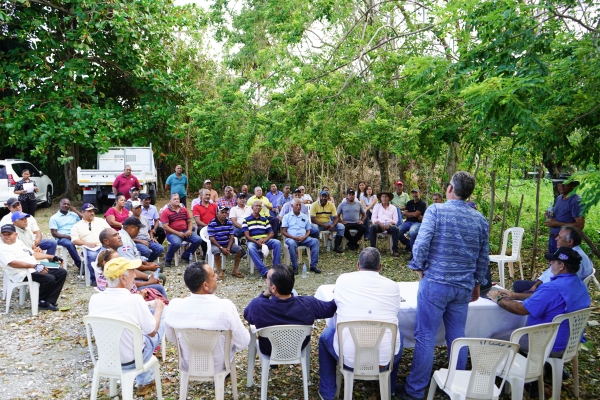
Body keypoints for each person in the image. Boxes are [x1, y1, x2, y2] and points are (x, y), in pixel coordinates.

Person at [398, 171, 489, 400]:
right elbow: (482, 256)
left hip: (436, 283)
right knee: (457, 336)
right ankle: (454, 387)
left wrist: (419, 268)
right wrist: (477, 283)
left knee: (426, 336)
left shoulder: (436, 210)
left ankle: (415, 390)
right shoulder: (480, 219)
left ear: (450, 189)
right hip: (463, 287)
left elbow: (420, 243)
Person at [318, 247, 403, 400]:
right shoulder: (393, 286)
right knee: (397, 333)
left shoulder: (343, 280)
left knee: (326, 335)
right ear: (380, 267)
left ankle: (327, 392)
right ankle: (389, 389)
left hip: (347, 358)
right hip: (384, 360)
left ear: (358, 266)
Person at [488, 247, 591, 356]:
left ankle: (504, 370)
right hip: (571, 343)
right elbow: (544, 298)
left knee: (495, 338)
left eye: (553, 261)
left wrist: (498, 299)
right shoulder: (580, 285)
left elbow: (521, 309)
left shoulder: (552, 288)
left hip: (548, 344)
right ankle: (546, 366)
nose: (550, 263)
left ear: (562, 266)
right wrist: (514, 295)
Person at [88, 257, 165, 397]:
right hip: (132, 361)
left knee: (135, 328)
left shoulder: (94, 299)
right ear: (123, 278)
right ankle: (145, 381)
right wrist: (159, 309)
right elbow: (152, 332)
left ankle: (143, 380)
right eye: (132, 272)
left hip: (106, 358)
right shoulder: (134, 300)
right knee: (161, 316)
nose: (135, 275)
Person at [166, 262, 250, 373]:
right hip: (219, 366)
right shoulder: (226, 307)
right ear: (205, 285)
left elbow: (171, 338)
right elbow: (243, 343)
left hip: (188, 364)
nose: (216, 276)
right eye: (213, 275)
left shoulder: (174, 305)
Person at [245, 264, 336, 356]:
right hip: (298, 347)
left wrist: (264, 295)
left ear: (273, 288)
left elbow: (247, 315)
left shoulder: (258, 305)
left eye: (267, 279)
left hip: (269, 348)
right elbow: (330, 309)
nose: (266, 280)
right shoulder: (308, 303)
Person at [0, 224, 67, 311]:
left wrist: (52, 257)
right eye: (4, 234)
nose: (6, 236)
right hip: (21, 273)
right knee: (49, 278)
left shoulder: (18, 242)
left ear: (15, 234)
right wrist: (34, 266)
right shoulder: (2, 248)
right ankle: (40, 300)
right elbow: (13, 264)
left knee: (61, 272)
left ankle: (48, 301)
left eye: (9, 234)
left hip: (33, 267)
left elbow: (33, 254)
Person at [512, 226, 593, 294]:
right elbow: (550, 272)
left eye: (560, 237)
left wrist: (540, 288)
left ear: (570, 242)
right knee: (518, 285)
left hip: (554, 290)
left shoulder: (572, 258)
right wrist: (538, 283)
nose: (556, 239)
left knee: (518, 286)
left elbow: (565, 284)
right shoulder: (569, 253)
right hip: (549, 286)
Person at [100, 227, 167, 297]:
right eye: (115, 235)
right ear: (106, 241)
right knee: (159, 287)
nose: (119, 237)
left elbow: (129, 270)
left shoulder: (113, 252)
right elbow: (122, 282)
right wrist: (148, 282)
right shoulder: (108, 256)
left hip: (126, 285)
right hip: (122, 291)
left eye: (118, 234)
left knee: (158, 275)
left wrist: (148, 277)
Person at [71, 203, 112, 285]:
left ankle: (110, 277)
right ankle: (95, 279)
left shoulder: (101, 221)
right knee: (93, 256)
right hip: (89, 249)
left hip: (103, 245)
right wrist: (87, 243)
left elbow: (110, 231)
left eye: (93, 211)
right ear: (83, 212)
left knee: (111, 254)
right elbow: (74, 240)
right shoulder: (77, 226)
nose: (92, 213)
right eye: (89, 211)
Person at [544, 174, 585, 254]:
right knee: (553, 263)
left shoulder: (576, 201)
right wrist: (550, 215)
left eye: (565, 184)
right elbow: (560, 215)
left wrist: (556, 223)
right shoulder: (559, 198)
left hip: (565, 241)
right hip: (554, 237)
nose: (561, 186)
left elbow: (580, 225)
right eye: (559, 184)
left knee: (563, 264)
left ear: (572, 185)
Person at [160, 193, 203, 267]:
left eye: (178, 199)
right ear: (170, 201)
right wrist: (178, 233)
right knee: (176, 243)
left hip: (185, 231)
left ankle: (186, 255)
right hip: (172, 233)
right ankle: (168, 259)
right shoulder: (165, 211)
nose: (177, 200)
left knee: (198, 239)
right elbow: (165, 227)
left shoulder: (184, 209)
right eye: (174, 199)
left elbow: (189, 221)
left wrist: (189, 230)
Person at [243, 201, 282, 278]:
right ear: (252, 207)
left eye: (260, 206)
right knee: (250, 247)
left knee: (277, 243)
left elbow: (271, 233)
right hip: (253, 241)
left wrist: (264, 239)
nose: (258, 207)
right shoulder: (246, 220)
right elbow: (247, 236)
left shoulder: (264, 219)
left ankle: (276, 268)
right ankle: (264, 271)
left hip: (265, 240)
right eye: (256, 206)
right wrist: (257, 242)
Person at [282, 198, 321, 274]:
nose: (299, 207)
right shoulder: (287, 217)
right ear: (292, 206)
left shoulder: (304, 216)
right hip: (291, 238)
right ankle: (295, 266)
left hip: (304, 238)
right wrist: (294, 237)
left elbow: (308, 230)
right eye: (297, 205)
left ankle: (313, 265)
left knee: (315, 241)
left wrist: (305, 237)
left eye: (300, 205)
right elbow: (283, 232)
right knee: (292, 243)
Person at [207, 206, 245, 279]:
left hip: (227, 243)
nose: (224, 214)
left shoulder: (229, 222)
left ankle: (235, 270)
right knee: (216, 251)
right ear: (217, 214)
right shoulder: (212, 223)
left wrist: (228, 248)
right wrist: (221, 248)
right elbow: (212, 239)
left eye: (225, 213)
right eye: (222, 212)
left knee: (239, 250)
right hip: (216, 244)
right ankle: (220, 271)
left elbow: (231, 236)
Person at [49, 198, 83, 271]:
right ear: (59, 205)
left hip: (74, 235)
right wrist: (68, 237)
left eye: (68, 204)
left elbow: (84, 219)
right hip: (62, 238)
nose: (66, 205)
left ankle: (87, 261)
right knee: (70, 243)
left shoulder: (73, 214)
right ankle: (80, 265)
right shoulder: (54, 218)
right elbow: (54, 233)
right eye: (64, 204)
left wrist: (75, 211)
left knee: (88, 239)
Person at [369, 192, 400, 257]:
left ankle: (395, 250)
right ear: (380, 198)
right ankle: (372, 250)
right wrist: (380, 223)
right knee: (373, 227)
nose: (384, 198)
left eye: (386, 196)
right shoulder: (377, 206)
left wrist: (390, 224)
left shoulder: (393, 207)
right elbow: (373, 218)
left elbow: (395, 220)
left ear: (389, 198)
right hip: (379, 225)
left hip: (389, 225)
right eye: (383, 197)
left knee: (395, 229)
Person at [398, 188, 427, 254]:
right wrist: (413, 214)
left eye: (416, 193)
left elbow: (416, 214)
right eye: (413, 193)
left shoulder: (422, 204)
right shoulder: (409, 203)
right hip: (408, 222)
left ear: (419, 193)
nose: (414, 195)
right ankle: (408, 244)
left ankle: (412, 251)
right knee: (397, 231)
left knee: (412, 232)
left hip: (417, 223)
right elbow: (404, 214)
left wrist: (412, 214)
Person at [193, 189, 217, 258]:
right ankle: (205, 251)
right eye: (206, 195)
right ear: (201, 195)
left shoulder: (214, 206)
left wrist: (213, 225)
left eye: (209, 195)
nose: (208, 196)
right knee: (200, 230)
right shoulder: (196, 207)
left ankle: (217, 250)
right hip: (203, 226)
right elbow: (197, 221)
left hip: (214, 225)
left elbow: (217, 217)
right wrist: (208, 226)